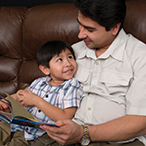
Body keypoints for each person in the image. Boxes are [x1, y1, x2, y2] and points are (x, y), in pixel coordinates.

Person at [29, 0, 146, 146]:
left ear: (114, 28)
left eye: (89, 30)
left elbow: (141, 121)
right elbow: (50, 89)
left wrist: (83, 132)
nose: (80, 34)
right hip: (66, 134)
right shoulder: (72, 53)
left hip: (117, 141)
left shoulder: (141, 56)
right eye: (80, 24)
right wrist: (18, 103)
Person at [0, 40, 83, 146]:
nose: (68, 63)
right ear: (46, 69)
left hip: (37, 135)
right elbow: (19, 95)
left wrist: (35, 100)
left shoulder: (72, 86)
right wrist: (6, 102)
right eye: (60, 60)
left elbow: (65, 116)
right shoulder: (39, 82)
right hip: (16, 125)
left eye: (70, 57)